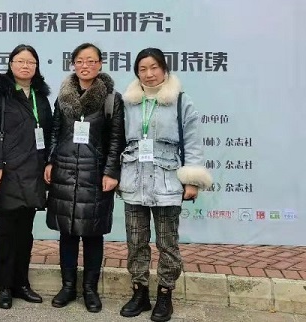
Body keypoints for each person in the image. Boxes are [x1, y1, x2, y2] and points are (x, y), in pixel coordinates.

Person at [118, 48, 212, 322]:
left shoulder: (181, 101)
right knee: (136, 241)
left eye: (154, 67)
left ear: (164, 69)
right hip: (134, 180)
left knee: (167, 243)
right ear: (137, 72)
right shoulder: (128, 102)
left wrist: (191, 180)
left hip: (167, 181)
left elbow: (192, 141)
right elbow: (117, 139)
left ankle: (164, 294)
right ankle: (139, 293)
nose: (149, 74)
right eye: (142, 69)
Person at [44, 42, 125, 313]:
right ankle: (68, 287)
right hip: (65, 170)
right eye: (80, 60)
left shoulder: (111, 99)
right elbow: (55, 131)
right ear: (73, 64)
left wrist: (111, 172)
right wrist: (50, 160)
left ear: (100, 64)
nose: (85, 65)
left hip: (95, 174)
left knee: (93, 234)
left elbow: (116, 139)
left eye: (91, 61)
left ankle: (90, 289)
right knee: (67, 232)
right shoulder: (63, 96)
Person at [0, 44, 53, 309]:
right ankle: (3, 286)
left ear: (36, 67)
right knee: (6, 231)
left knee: (25, 232)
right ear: (11, 64)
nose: (26, 66)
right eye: (20, 61)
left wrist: (49, 162)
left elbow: (49, 132)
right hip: (8, 171)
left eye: (31, 62)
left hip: (34, 171)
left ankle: (21, 283)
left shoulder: (40, 96)